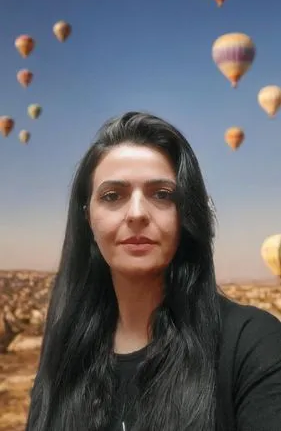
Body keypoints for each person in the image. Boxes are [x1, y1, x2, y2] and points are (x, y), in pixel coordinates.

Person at [25, 111, 281, 431]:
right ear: (87, 217)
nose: (136, 214)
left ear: (187, 213)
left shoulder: (252, 344)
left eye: (162, 194)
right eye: (112, 195)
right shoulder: (66, 352)